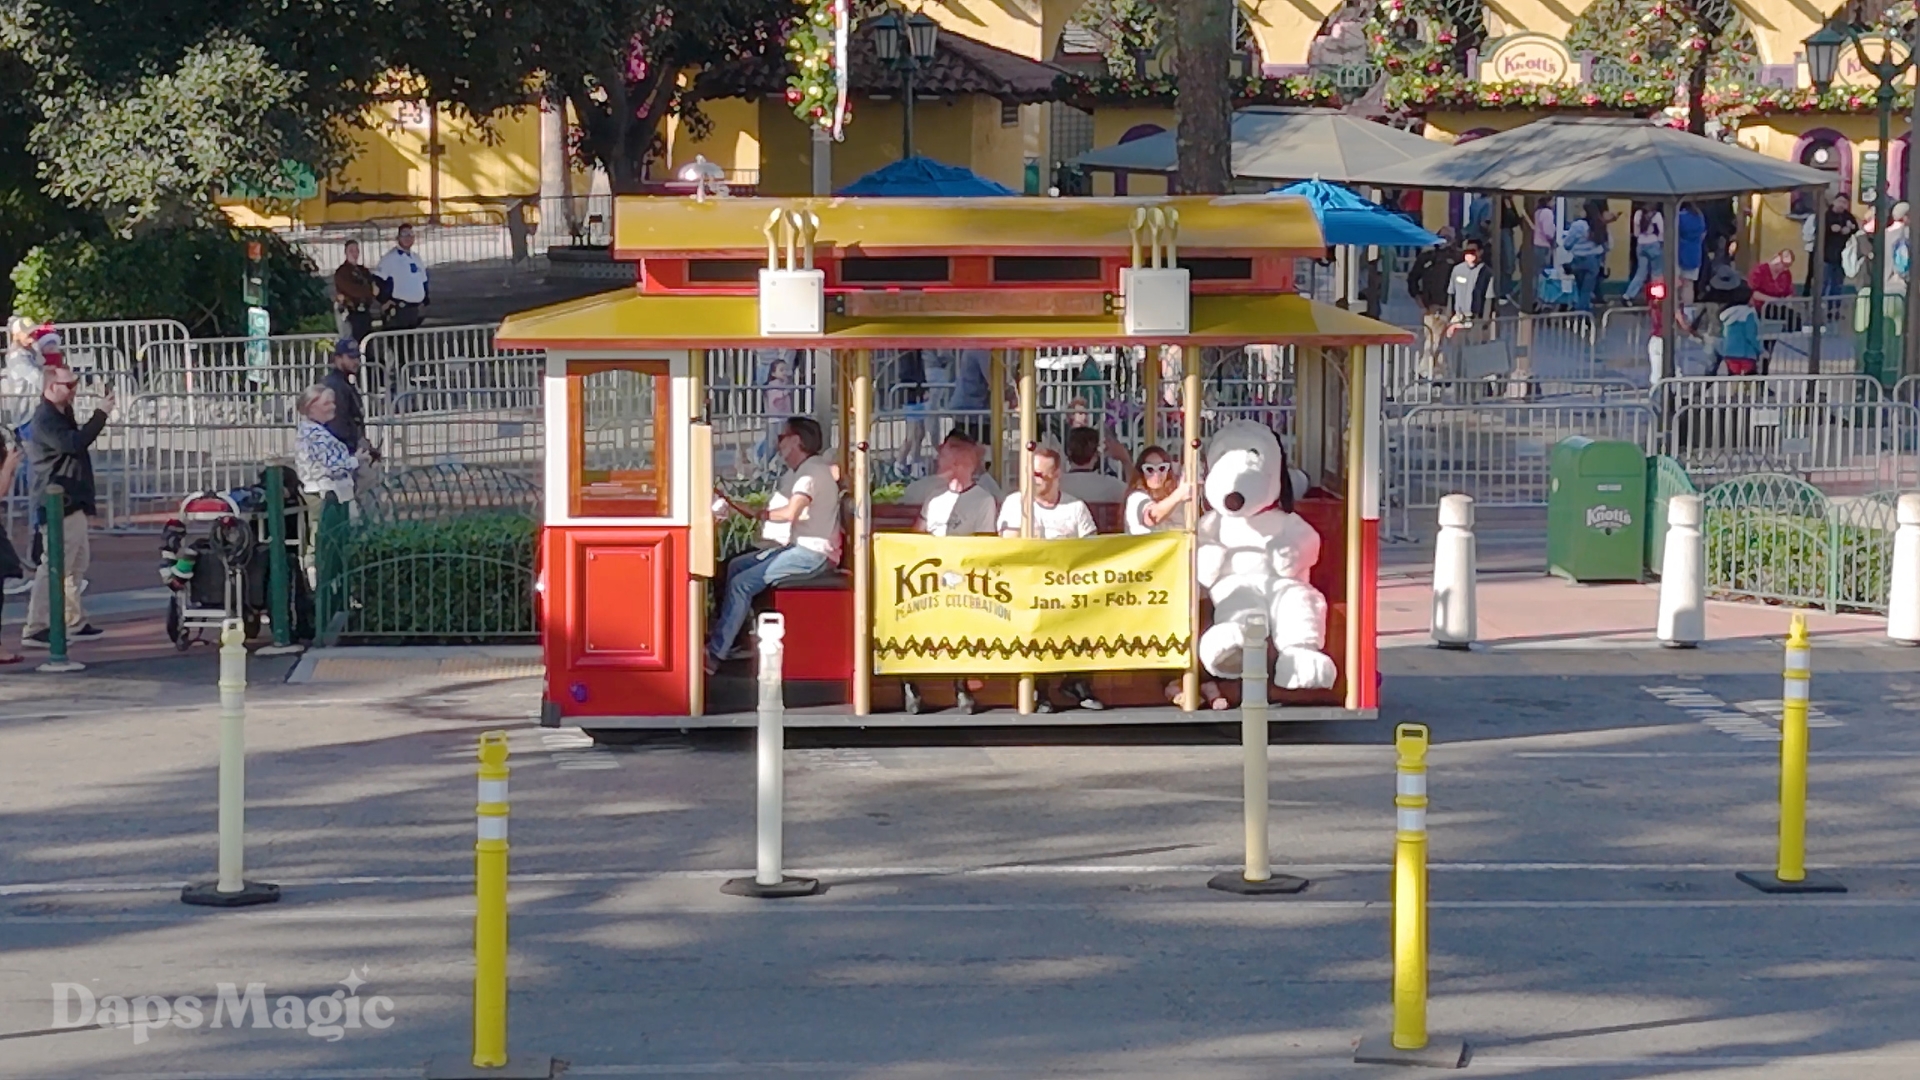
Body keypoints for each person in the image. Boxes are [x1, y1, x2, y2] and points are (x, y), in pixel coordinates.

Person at [706, 417, 841, 674]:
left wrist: (759, 514)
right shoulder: (805, 470)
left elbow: (792, 512)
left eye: (782, 438)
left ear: (797, 441)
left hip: (813, 552)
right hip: (801, 546)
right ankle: (735, 637)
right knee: (735, 566)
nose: (778, 443)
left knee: (741, 583)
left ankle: (715, 654)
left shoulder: (810, 474)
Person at [997, 445, 1100, 713]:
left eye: (1039, 475)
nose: (1032, 480)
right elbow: (1009, 547)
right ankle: (1040, 689)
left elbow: (1092, 550)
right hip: (1026, 587)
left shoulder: (1075, 507)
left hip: (1068, 587)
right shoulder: (1015, 503)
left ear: (1056, 475)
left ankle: (1077, 680)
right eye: (1029, 474)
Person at [902, 435, 998, 715]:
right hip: (928, 577)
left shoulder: (983, 501)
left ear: (957, 464)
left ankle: (961, 686)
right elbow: (917, 536)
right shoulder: (935, 498)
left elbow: (985, 545)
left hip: (964, 580)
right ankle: (910, 685)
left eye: (943, 457)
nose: (937, 462)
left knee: (963, 620)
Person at [22, 365, 109, 648]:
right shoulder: (46, 418)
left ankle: (73, 620)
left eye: (75, 384)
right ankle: (37, 625)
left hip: (72, 497)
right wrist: (101, 414)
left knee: (76, 563)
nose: (74, 390)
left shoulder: (61, 413)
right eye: (68, 386)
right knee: (55, 563)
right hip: (57, 499)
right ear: (50, 387)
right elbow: (73, 444)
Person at [294, 385, 366, 502]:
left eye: (333, 403)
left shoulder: (312, 430)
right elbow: (332, 466)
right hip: (325, 493)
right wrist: (356, 460)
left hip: (327, 492)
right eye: (326, 404)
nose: (333, 407)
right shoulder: (315, 435)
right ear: (311, 407)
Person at [1406, 228, 1457, 377]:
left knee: (1440, 341)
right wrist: (1418, 299)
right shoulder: (1426, 258)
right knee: (1432, 338)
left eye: (1447, 237)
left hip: (1449, 307)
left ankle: (1431, 370)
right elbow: (1412, 279)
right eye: (1441, 237)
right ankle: (1431, 371)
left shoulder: (1457, 258)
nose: (1444, 240)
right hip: (1430, 307)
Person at [902, 430, 1001, 505]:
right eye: (953, 448)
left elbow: (999, 501)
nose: (955, 455)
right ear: (941, 452)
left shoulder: (983, 490)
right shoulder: (918, 488)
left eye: (961, 451)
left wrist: (980, 467)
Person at [320, 337, 377, 462]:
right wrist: (351, 449)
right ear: (338, 358)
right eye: (351, 358)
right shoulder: (336, 386)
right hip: (345, 451)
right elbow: (338, 423)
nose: (356, 362)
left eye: (357, 357)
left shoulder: (343, 383)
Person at [1124, 445, 1190, 535]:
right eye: (1149, 469)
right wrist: (1179, 495)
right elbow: (1151, 518)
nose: (1156, 474)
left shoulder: (1173, 498)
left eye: (1162, 468)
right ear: (1141, 472)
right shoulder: (1136, 498)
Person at [374, 224, 430, 330]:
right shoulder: (390, 258)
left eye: (410, 234)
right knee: (398, 343)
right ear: (398, 237)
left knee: (409, 343)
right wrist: (384, 301)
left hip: (414, 311)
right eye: (404, 234)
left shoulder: (416, 258)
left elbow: (423, 281)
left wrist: (425, 300)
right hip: (398, 310)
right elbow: (377, 281)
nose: (407, 237)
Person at [1059, 426, 1126, 508]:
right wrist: (1125, 460)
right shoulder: (1113, 486)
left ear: (1068, 452)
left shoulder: (1057, 486)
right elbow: (1134, 493)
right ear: (1096, 454)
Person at [332, 240, 380, 342]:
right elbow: (351, 290)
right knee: (352, 344)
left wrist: (370, 291)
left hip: (365, 312)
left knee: (366, 343)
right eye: (351, 250)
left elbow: (374, 287)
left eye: (356, 250)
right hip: (350, 313)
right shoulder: (342, 272)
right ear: (345, 252)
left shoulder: (363, 271)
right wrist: (369, 291)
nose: (354, 253)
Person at [1563, 216, 1606, 312]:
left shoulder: (1578, 225)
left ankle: (1579, 312)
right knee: (1586, 290)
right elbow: (1607, 243)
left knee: (1579, 289)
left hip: (1578, 260)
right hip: (1594, 260)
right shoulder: (1599, 224)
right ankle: (1583, 312)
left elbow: (1567, 244)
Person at [1820, 194, 1859, 297]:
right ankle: (1820, 307)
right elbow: (1819, 232)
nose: (1841, 205)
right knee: (1825, 283)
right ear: (1834, 201)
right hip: (1826, 256)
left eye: (1844, 203)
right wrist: (1830, 229)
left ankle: (1834, 310)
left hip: (1842, 256)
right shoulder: (1826, 215)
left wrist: (1850, 229)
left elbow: (1857, 231)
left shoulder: (1848, 217)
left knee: (1838, 285)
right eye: (1840, 201)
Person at [1625, 203, 1663, 303]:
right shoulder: (1657, 215)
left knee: (1640, 273)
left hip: (1641, 245)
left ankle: (1628, 295)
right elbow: (1661, 232)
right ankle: (1655, 298)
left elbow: (1636, 233)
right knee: (1656, 273)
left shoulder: (1638, 214)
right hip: (1654, 244)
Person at [1447, 242, 1490, 326]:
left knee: (1475, 339)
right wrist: (1449, 315)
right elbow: (1451, 293)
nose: (1469, 254)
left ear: (1480, 252)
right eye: (1467, 251)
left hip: (1476, 319)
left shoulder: (1486, 272)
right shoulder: (1457, 269)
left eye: (1472, 251)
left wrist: (1485, 321)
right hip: (1458, 318)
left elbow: (1488, 298)